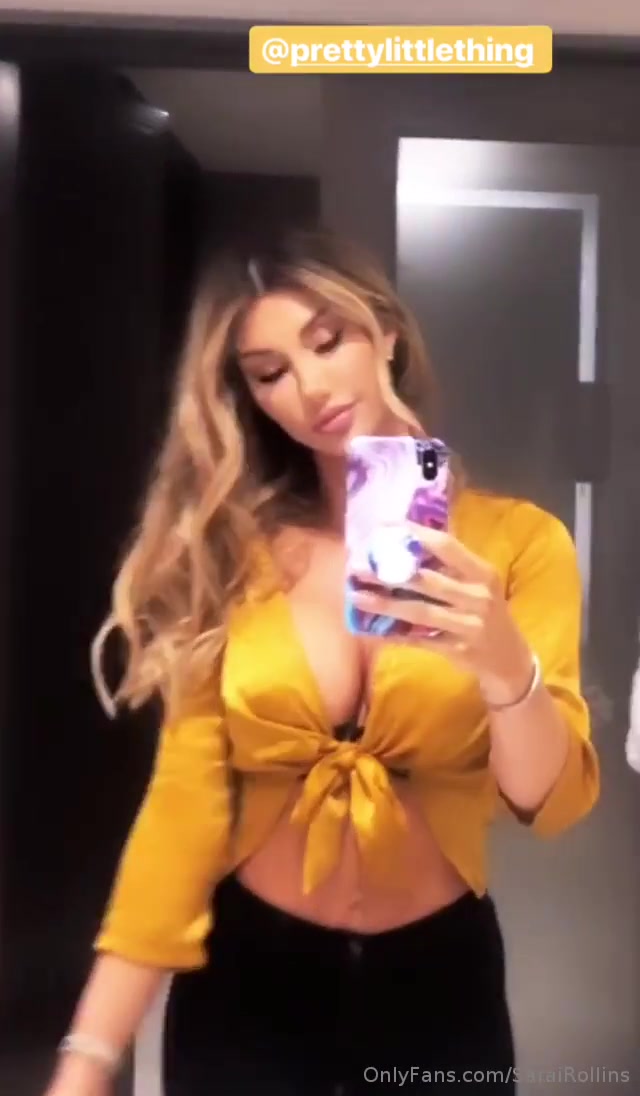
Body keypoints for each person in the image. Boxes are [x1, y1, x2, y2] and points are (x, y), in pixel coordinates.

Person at [45, 229, 600, 1096]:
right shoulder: (235, 556)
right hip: (250, 983)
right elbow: (182, 811)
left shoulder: (520, 546)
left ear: (386, 334)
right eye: (269, 372)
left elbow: (546, 798)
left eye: (327, 341)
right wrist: (87, 1060)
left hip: (438, 986)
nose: (308, 387)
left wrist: (504, 665)